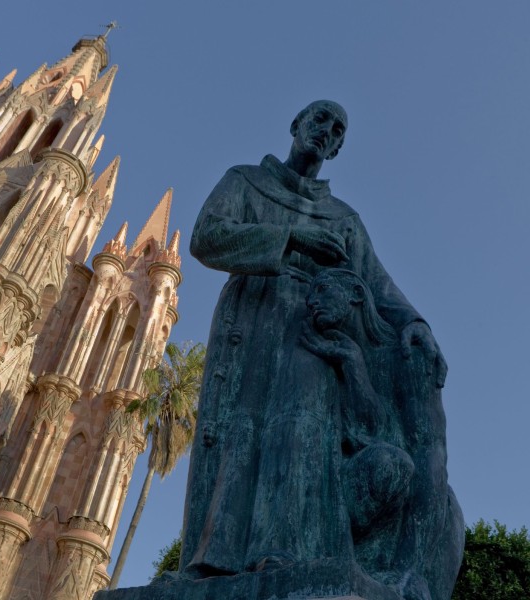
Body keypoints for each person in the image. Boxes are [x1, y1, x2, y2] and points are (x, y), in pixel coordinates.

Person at [180, 100, 449, 581]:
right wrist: (292, 238)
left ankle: (287, 553)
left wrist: (415, 323)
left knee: (301, 432)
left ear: (338, 148)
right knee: (239, 432)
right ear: (296, 124)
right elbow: (207, 237)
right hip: (253, 320)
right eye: (320, 119)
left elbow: (379, 285)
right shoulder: (244, 181)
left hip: (313, 332)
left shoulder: (343, 218)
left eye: (338, 129)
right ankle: (214, 559)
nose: (327, 131)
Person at [300, 269, 463, 600]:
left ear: (357, 294)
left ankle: (407, 581)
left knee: (448, 506)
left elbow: (430, 455)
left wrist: (411, 568)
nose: (312, 301)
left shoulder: (408, 356)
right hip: (337, 496)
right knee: (388, 464)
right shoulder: (324, 349)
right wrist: (352, 363)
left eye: (323, 289)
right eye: (310, 295)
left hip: (394, 497)